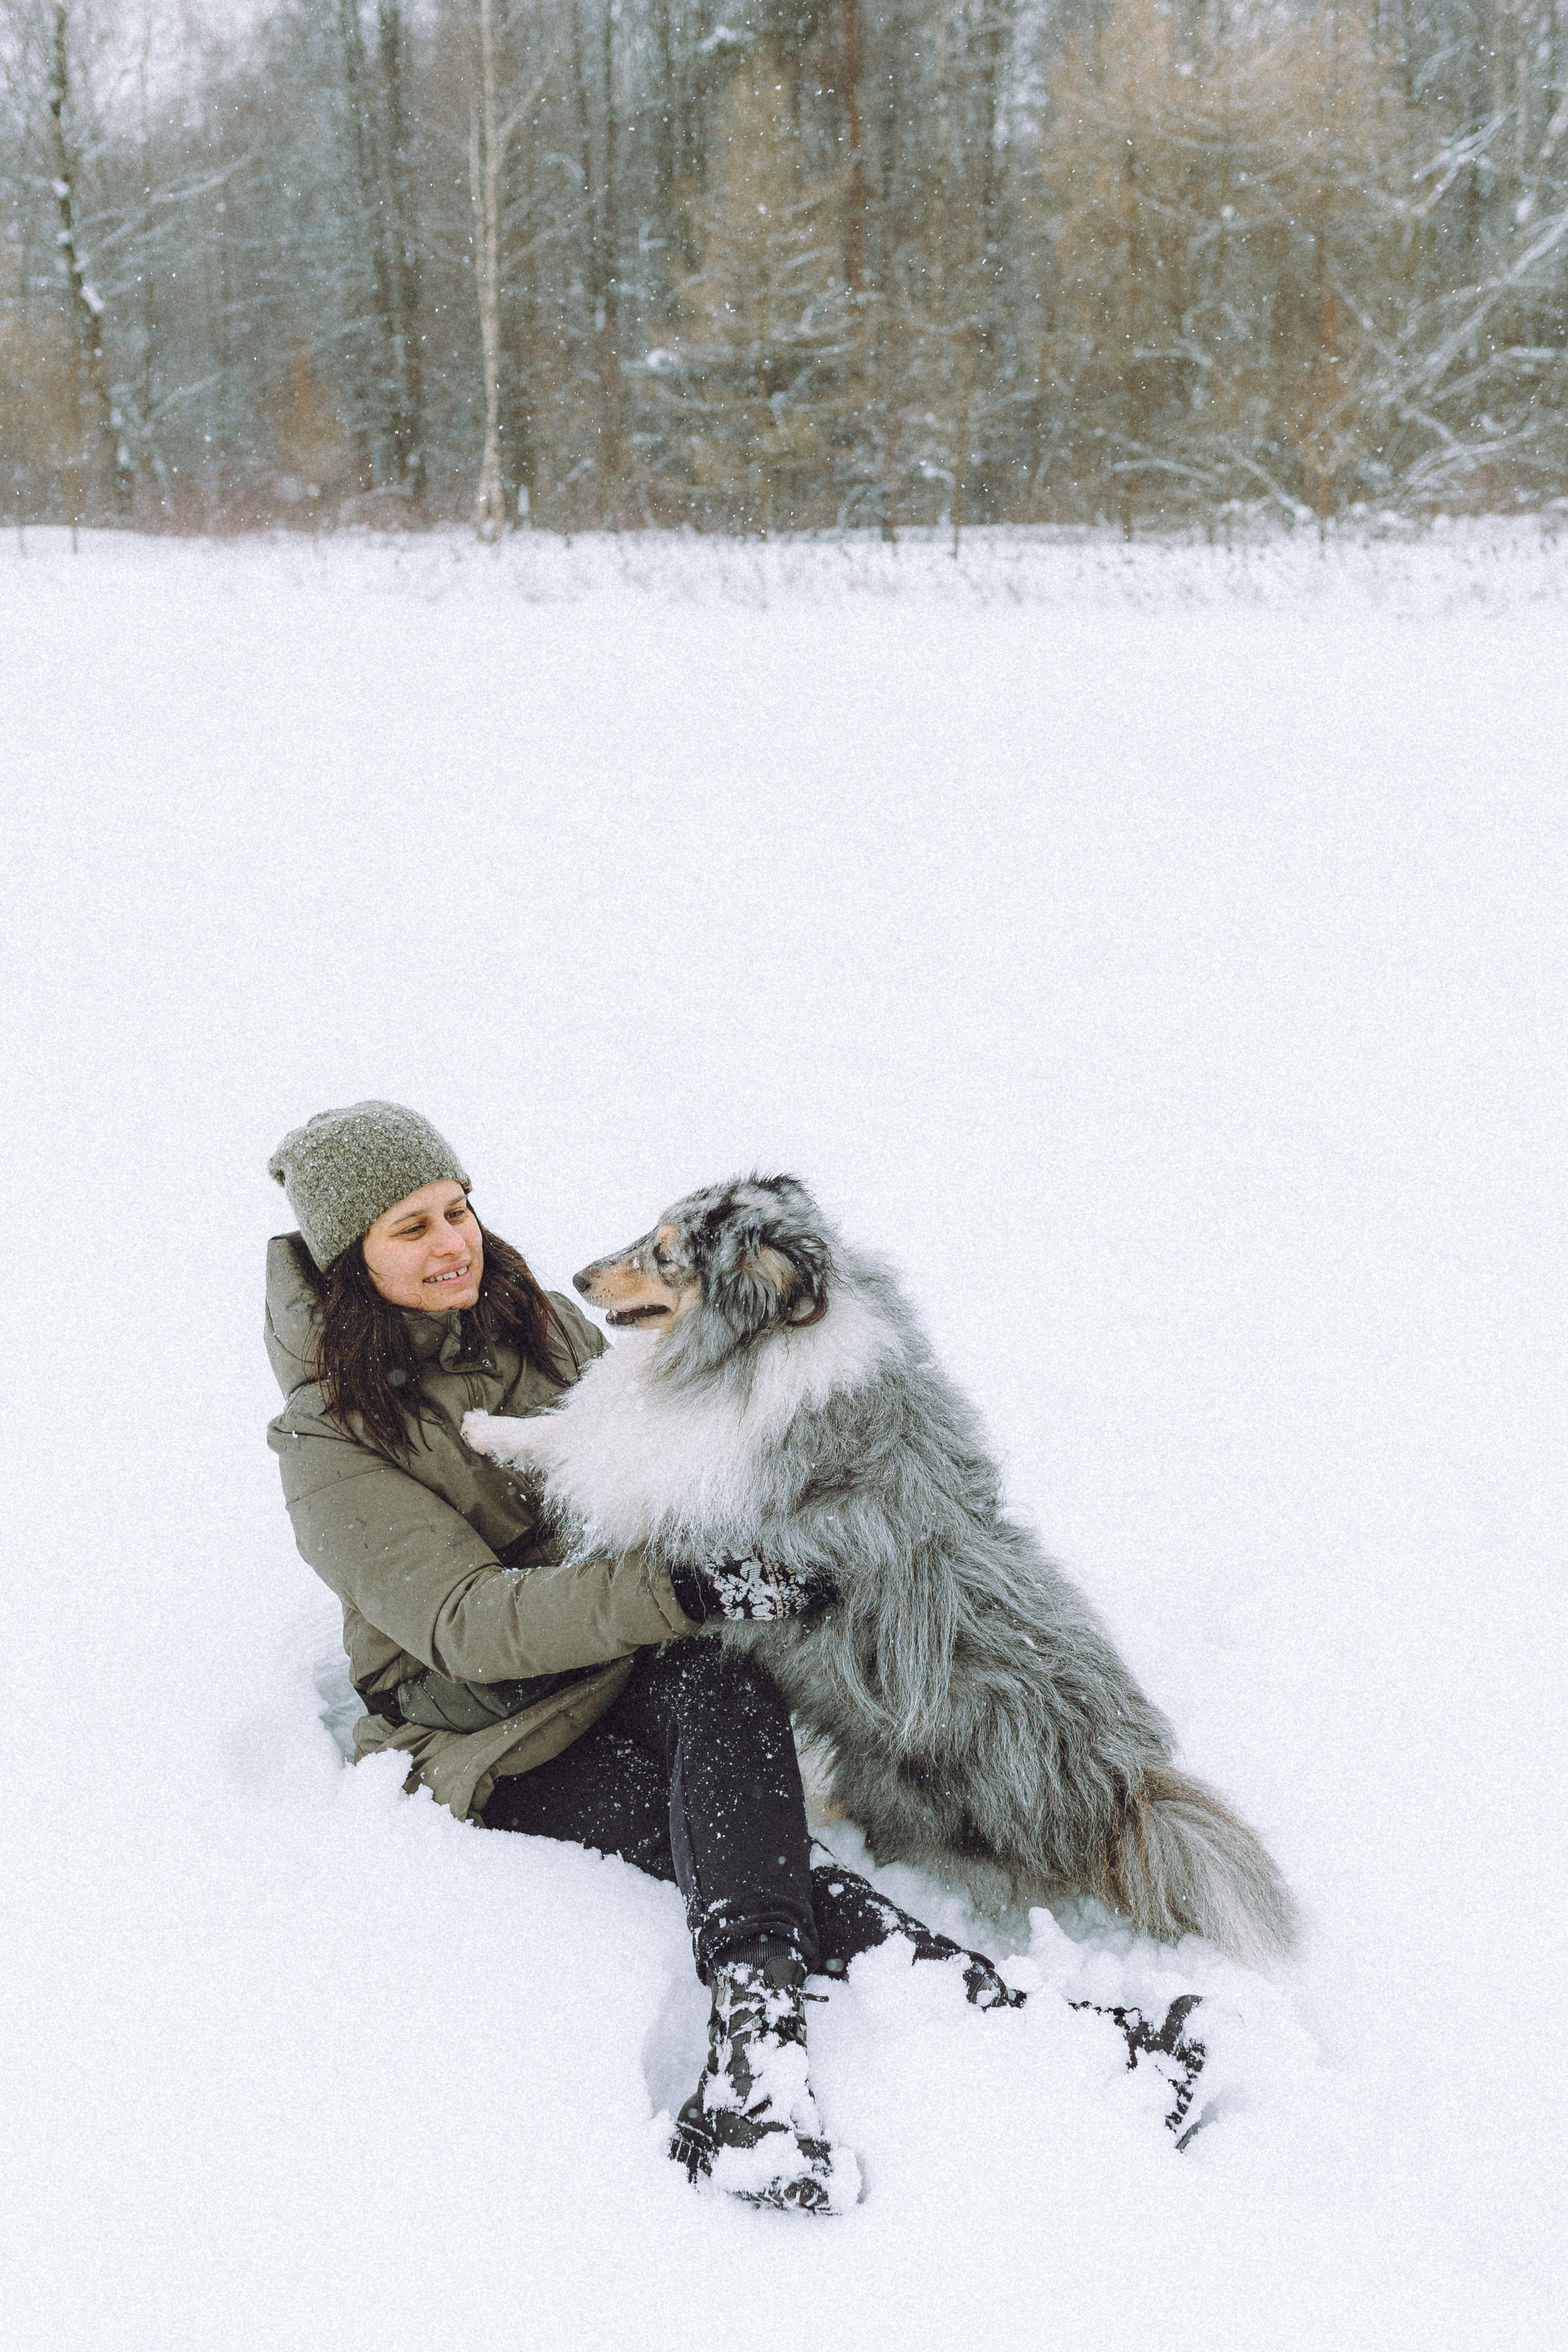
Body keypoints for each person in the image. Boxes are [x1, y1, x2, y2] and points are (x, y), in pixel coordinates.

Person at [266, 1101, 1207, 2214]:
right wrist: (689, 1585)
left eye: (457, 1208)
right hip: (490, 1735)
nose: (453, 1242)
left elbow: (683, 1455)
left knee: (737, 1759)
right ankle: (905, 2045)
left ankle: (796, 2062)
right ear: (348, 1263)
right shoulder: (326, 1438)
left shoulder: (540, 1328)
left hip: (621, 1669)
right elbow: (472, 1624)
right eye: (409, 1227)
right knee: (751, 1854)